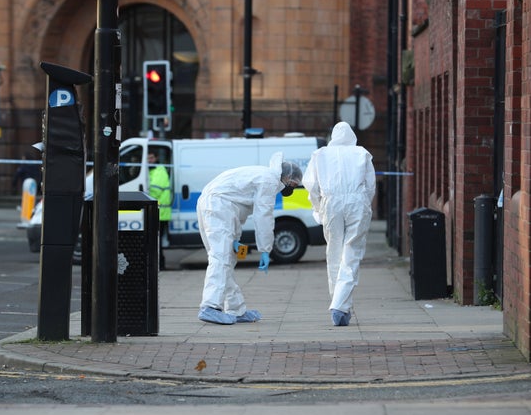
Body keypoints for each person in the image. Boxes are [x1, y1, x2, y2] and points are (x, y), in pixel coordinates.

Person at [196, 153, 303, 325]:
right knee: (221, 258)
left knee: (226, 259)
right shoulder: (269, 181)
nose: (291, 188)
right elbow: (263, 218)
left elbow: (239, 207)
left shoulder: (263, 176)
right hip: (218, 206)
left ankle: (236, 308)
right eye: (293, 184)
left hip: (215, 205)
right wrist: (265, 250)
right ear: (287, 177)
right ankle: (209, 306)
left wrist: (235, 239)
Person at [302, 121, 376, 326]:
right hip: (356, 202)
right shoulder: (361, 153)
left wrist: (318, 208)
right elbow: (370, 186)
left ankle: (339, 303)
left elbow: (311, 185)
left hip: (331, 202)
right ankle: (340, 305)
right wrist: (364, 205)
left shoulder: (320, 155)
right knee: (352, 253)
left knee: (334, 252)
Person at [147, 152, 172, 270]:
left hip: (161, 213)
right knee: (156, 241)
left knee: (157, 242)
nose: (149, 160)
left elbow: (155, 191)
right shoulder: (153, 171)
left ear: (156, 157)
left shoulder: (159, 170)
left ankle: (160, 265)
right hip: (158, 212)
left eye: (151, 157)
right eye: (147, 158)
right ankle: (158, 264)